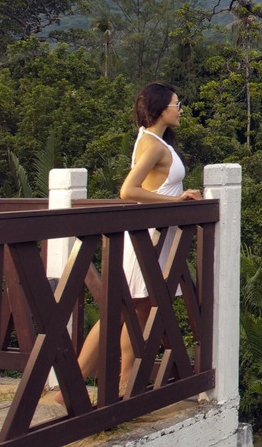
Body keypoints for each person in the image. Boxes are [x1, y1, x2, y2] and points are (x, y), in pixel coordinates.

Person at [61, 82, 201, 405]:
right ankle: (119, 385)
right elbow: (128, 191)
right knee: (129, 312)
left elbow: (156, 185)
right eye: (176, 105)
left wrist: (176, 197)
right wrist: (175, 202)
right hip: (148, 237)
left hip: (150, 235)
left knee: (129, 311)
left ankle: (95, 382)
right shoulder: (153, 144)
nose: (180, 110)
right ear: (160, 109)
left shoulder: (151, 140)